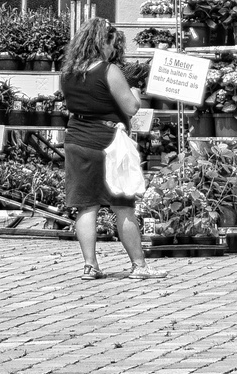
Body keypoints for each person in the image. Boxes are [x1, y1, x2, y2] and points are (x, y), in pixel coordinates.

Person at [59, 17, 164, 281]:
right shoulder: (107, 70)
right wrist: (136, 90)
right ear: (101, 42)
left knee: (86, 206)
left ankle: (90, 265)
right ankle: (139, 266)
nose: (113, 49)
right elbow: (130, 107)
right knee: (123, 204)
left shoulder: (68, 71)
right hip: (107, 141)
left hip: (76, 139)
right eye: (111, 43)